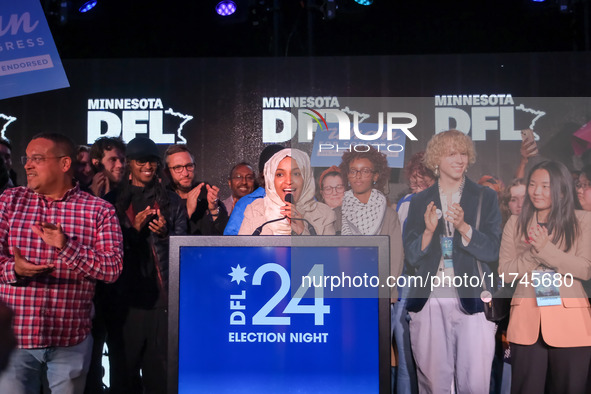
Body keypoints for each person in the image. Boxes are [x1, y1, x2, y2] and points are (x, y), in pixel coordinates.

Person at [0, 132, 123, 394]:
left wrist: (67, 246)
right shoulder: (9, 202)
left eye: (37, 158)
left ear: (65, 164)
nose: (27, 165)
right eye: (26, 158)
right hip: (15, 340)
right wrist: (14, 269)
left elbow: (112, 269)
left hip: (70, 340)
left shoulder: (99, 210)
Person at [403, 129, 501, 393]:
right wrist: (427, 231)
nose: (460, 159)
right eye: (452, 154)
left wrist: (464, 227)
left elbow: (493, 251)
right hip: (430, 299)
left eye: (464, 153)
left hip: (473, 300)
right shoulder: (420, 201)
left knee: (475, 382)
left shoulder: (485, 197)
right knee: (433, 384)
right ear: (436, 160)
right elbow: (411, 257)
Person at [499, 160, 591, 394]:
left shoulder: (583, 221)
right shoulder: (515, 223)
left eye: (545, 186)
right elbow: (505, 273)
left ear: (561, 189)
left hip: (571, 325)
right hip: (527, 325)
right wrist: (534, 252)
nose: (536, 191)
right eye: (532, 185)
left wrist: (547, 250)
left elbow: (585, 269)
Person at [104, 137, 186, 393]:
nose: (148, 166)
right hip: (124, 304)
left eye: (152, 161)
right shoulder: (112, 201)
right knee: (123, 378)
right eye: (142, 161)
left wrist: (164, 235)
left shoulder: (173, 202)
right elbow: (107, 251)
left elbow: (185, 249)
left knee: (160, 378)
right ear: (130, 164)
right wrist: (133, 231)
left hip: (162, 303)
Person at [393, 151, 434, 394]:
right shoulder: (406, 203)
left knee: (432, 356)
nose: (417, 188)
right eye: (414, 183)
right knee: (406, 355)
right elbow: (398, 246)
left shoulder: (448, 203)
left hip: (437, 285)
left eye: (424, 183)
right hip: (406, 282)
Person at [239, 148, 335, 235]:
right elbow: (241, 253)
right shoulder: (254, 210)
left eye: (296, 174)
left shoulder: (325, 214)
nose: (289, 181)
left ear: (306, 178)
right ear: (271, 179)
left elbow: (326, 254)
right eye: (280, 174)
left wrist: (302, 231)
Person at [164, 144, 227, 235]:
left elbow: (226, 235)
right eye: (178, 168)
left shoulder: (206, 193)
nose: (185, 173)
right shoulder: (163, 199)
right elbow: (164, 241)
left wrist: (214, 210)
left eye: (189, 166)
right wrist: (187, 212)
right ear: (166, 172)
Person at [223, 144, 285, 235]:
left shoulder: (304, 200)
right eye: (277, 171)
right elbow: (231, 242)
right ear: (263, 172)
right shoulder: (246, 203)